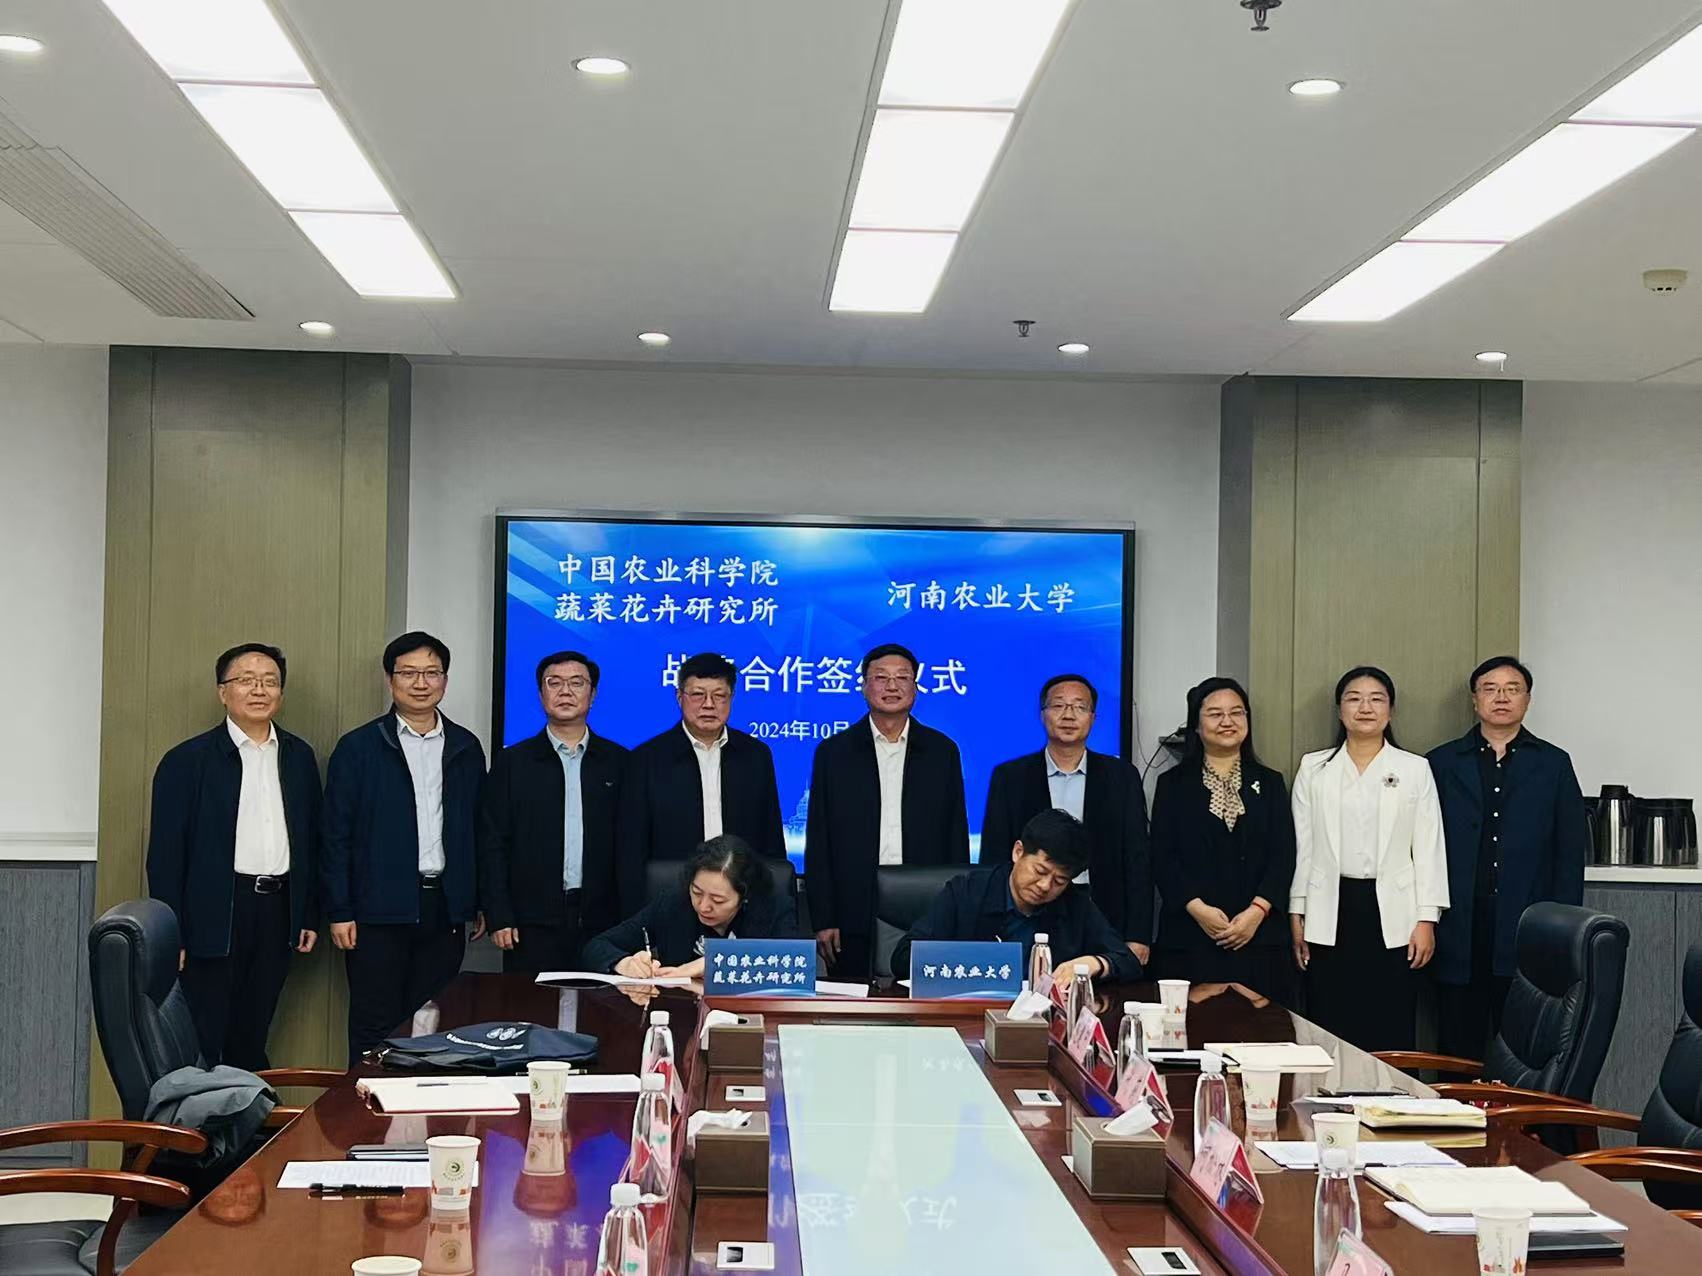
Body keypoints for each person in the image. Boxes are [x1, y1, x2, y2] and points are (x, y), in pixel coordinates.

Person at [146, 643, 320, 1069]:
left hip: (277, 911)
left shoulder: (299, 756)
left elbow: (313, 840)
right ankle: (200, 1112)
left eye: (270, 681)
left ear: (281, 693)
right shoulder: (187, 761)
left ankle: (247, 1110)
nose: (259, 690)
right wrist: (173, 934)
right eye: (246, 680)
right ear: (223, 692)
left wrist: (308, 913)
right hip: (214, 914)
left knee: (253, 1031)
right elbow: (165, 855)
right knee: (204, 1036)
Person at [322, 631, 486, 1064]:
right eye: (409, 673)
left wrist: (477, 900)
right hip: (376, 910)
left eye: (431, 673)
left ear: (445, 680)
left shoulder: (466, 747)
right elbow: (335, 834)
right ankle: (366, 1102)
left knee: (435, 1023)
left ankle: (425, 1106)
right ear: (390, 680)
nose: (421, 683)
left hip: (443, 907)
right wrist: (339, 908)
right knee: (374, 1024)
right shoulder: (359, 747)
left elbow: (479, 830)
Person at [1427, 656, 1588, 1058]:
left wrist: (1562, 926)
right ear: (1474, 699)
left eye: (1512, 689)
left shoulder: (1553, 763)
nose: (1501, 697)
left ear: (1527, 700)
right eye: (1490, 689)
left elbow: (1569, 852)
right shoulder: (1440, 762)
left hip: (1526, 923)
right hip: (1458, 922)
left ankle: (1517, 1104)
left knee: (1523, 1045)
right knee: (1456, 1044)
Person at [1290, 666, 1448, 1052]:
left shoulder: (1414, 769)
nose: (1365, 707)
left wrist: (1427, 919)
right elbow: (1303, 846)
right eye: (1354, 699)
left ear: (1390, 710)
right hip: (1330, 906)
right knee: (1329, 1021)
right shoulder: (1314, 768)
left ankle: (1390, 1091)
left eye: (1376, 699)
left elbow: (1429, 846)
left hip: (1394, 912)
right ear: (1339, 710)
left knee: (1389, 1019)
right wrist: (1297, 910)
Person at [804, 643, 969, 978]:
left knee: (926, 1001)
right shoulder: (834, 753)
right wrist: (824, 918)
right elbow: (820, 840)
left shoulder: (942, 752)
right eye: (881, 677)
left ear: (915, 688)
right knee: (853, 1000)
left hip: (927, 906)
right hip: (852, 907)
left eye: (902, 678)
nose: (892, 686)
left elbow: (955, 836)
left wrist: (956, 911)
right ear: (864, 687)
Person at [982, 673, 1153, 964]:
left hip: (1103, 912)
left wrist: (1138, 935)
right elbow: (995, 855)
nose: (1069, 715)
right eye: (1058, 705)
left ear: (1093, 717)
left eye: (1080, 707)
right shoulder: (1010, 777)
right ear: (1042, 715)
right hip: (1030, 911)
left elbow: (1137, 858)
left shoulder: (1121, 777)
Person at [480, 650, 628, 974]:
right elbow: (493, 842)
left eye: (576, 683)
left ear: (593, 693)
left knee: (601, 1004)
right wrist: (498, 913)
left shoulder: (619, 763)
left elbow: (630, 847)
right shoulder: (513, 763)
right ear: (540, 693)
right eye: (554, 683)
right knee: (530, 1004)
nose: (565, 691)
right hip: (530, 923)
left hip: (603, 922)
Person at [1149, 677, 1296, 1001]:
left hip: (1260, 938)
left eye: (1237, 712)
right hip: (1191, 937)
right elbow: (1162, 856)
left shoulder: (1271, 783)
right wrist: (1198, 909)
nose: (1227, 721)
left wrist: (1257, 911)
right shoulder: (1172, 785)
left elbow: (1283, 854)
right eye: (1215, 714)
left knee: (1264, 1029)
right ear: (1196, 725)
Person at [891, 808, 1142, 985]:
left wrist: (1094, 963)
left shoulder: (1075, 904)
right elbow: (902, 958)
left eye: (1059, 880)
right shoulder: (966, 892)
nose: (1045, 886)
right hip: (969, 1015)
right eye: (1040, 871)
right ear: (1018, 852)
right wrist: (973, 961)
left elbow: (1128, 962)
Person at [620, 651, 785, 911]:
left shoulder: (756, 755)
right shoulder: (647, 759)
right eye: (698, 694)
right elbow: (632, 848)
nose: (709, 704)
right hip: (669, 901)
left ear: (732, 698)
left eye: (719, 695)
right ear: (679, 697)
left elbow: (771, 836)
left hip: (741, 900)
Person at [582, 835, 795, 977]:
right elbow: (597, 946)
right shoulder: (673, 903)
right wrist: (624, 963)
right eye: (697, 892)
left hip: (751, 1018)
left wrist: (713, 963)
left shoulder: (774, 908)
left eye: (718, 900)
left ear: (744, 895)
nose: (703, 906)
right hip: (681, 1014)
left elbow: (796, 965)